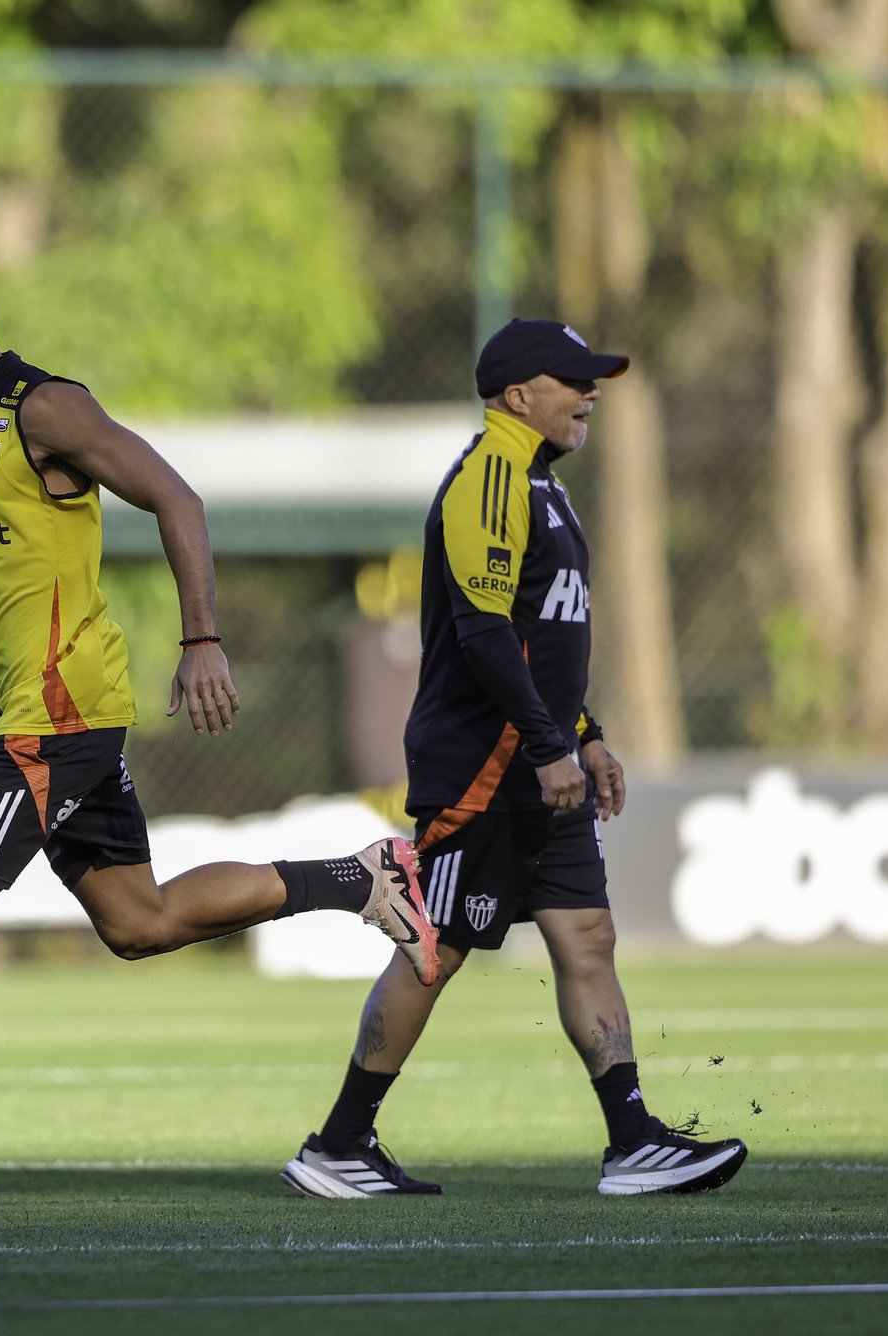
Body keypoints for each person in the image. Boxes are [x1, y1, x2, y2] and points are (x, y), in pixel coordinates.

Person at [0, 224, 438, 1217]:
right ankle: (360, 879)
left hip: (54, 719)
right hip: (56, 719)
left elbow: (173, 496)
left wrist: (199, 639)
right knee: (136, 925)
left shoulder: (43, 408)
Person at [281, 320, 747, 1199]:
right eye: (574, 380)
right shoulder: (491, 476)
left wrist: (589, 731)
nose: (591, 394)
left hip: (541, 757)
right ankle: (339, 1144)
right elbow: (485, 634)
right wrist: (546, 746)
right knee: (436, 947)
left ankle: (633, 1142)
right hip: (487, 768)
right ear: (516, 393)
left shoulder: (544, 486)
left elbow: (547, 633)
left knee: (587, 935)